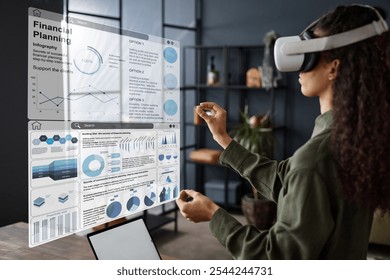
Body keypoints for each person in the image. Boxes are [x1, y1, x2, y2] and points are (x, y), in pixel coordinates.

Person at [176, 5, 390, 259]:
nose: (299, 68)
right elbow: (288, 183)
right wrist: (223, 138)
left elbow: (275, 258)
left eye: (308, 57)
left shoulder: (315, 158)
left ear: (334, 68)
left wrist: (213, 214)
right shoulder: (353, 139)